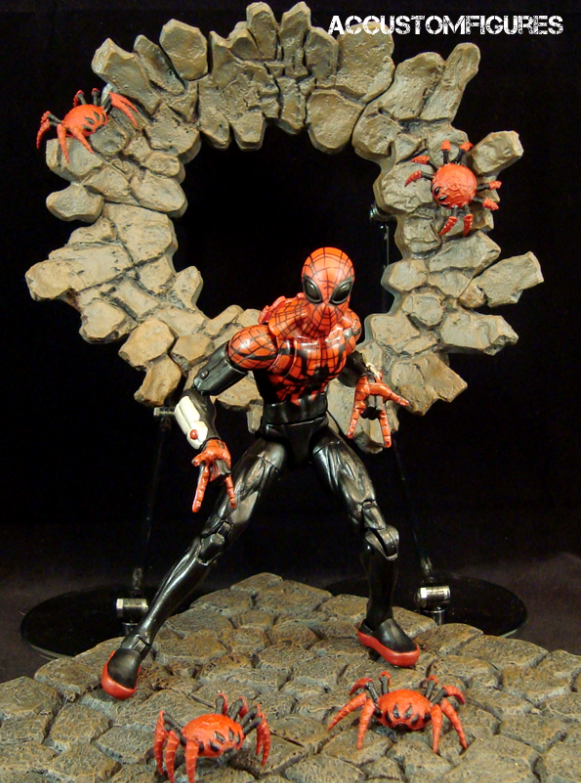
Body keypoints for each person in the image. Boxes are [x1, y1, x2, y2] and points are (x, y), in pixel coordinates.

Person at [101, 247, 419, 699]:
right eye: (317, 296)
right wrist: (207, 439)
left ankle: (379, 620)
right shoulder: (266, 339)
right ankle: (138, 640)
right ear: (304, 288)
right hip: (275, 439)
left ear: (350, 294)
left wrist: (366, 377)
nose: (326, 311)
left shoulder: (347, 327)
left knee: (383, 536)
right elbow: (195, 393)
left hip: (320, 434)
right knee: (215, 537)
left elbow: (346, 362)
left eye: (339, 297)